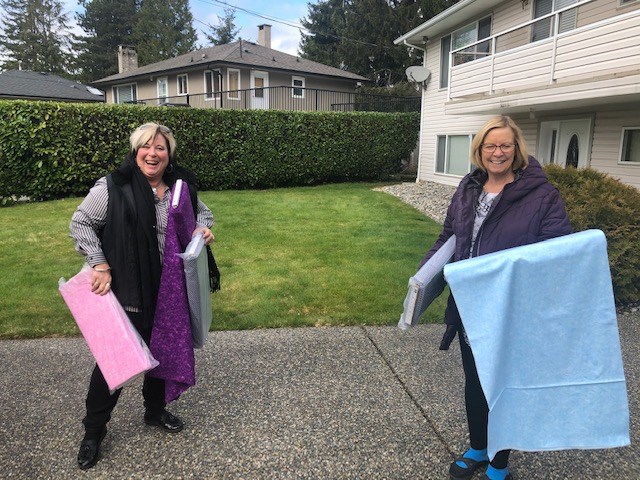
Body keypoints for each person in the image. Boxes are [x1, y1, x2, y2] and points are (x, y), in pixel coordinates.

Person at [419, 116, 572, 480]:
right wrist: (424, 275)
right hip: (470, 303)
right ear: (480, 150)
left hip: (511, 308)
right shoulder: (468, 187)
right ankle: (477, 446)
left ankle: (499, 463)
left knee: (504, 385)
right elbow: (449, 236)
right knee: (475, 380)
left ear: (517, 149)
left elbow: (556, 249)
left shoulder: (541, 194)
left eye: (505, 145)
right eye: (491, 145)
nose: (498, 152)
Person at [70, 122, 216, 470]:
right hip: (129, 290)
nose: (153, 153)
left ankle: (154, 411)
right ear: (135, 151)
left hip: (169, 291)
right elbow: (80, 222)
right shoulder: (113, 187)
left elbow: (204, 214)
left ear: (169, 154)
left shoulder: (181, 189)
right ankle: (93, 431)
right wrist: (99, 264)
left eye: (161, 148)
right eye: (146, 147)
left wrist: (201, 229)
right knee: (114, 363)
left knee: (162, 355)